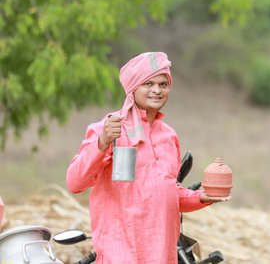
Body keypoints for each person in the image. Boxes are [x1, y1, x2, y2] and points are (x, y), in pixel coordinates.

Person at [66, 52, 231, 263]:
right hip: (120, 254)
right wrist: (102, 142)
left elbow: (167, 193)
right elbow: (74, 182)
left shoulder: (169, 136)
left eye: (163, 84)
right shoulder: (108, 128)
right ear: (133, 88)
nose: (157, 90)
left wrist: (200, 198)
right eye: (148, 83)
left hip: (162, 254)